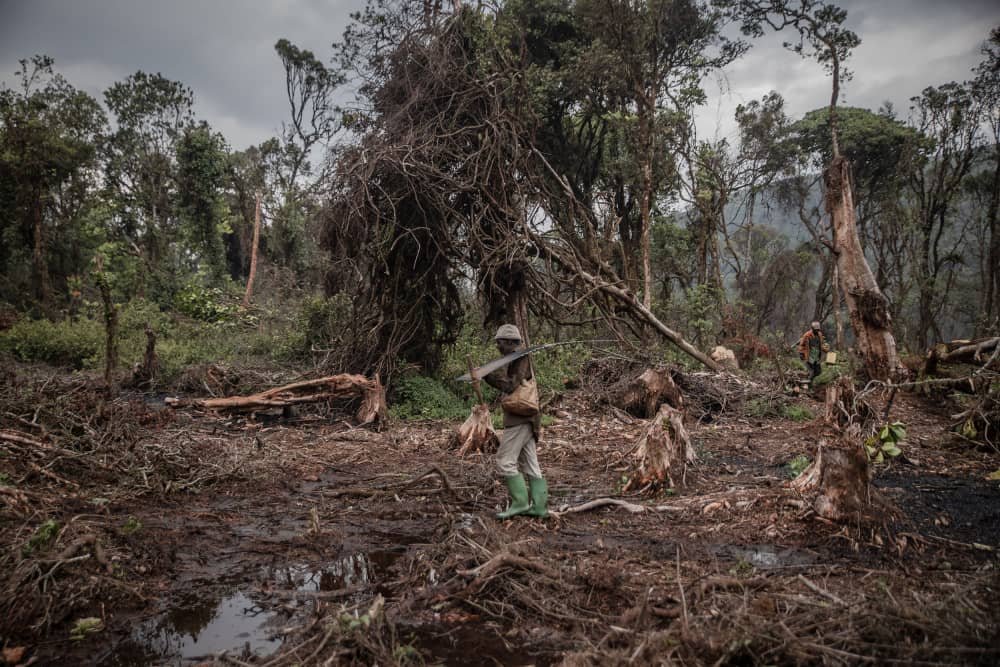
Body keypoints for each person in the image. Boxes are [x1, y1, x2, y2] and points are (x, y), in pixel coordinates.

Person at [482, 323, 548, 519]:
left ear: (510, 343)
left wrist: (487, 377)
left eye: (500, 343)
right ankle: (539, 507)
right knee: (530, 464)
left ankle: (520, 503)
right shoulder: (518, 358)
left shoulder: (520, 358)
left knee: (504, 461)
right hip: (529, 420)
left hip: (520, 419)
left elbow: (510, 386)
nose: (497, 346)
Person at [798, 320, 829, 385]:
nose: (817, 331)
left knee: (818, 371)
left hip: (817, 355)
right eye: (816, 330)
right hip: (809, 355)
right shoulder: (807, 335)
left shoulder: (820, 334)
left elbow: (821, 344)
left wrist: (825, 349)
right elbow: (801, 344)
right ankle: (807, 383)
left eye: (818, 329)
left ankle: (810, 380)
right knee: (811, 371)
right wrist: (801, 353)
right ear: (812, 328)